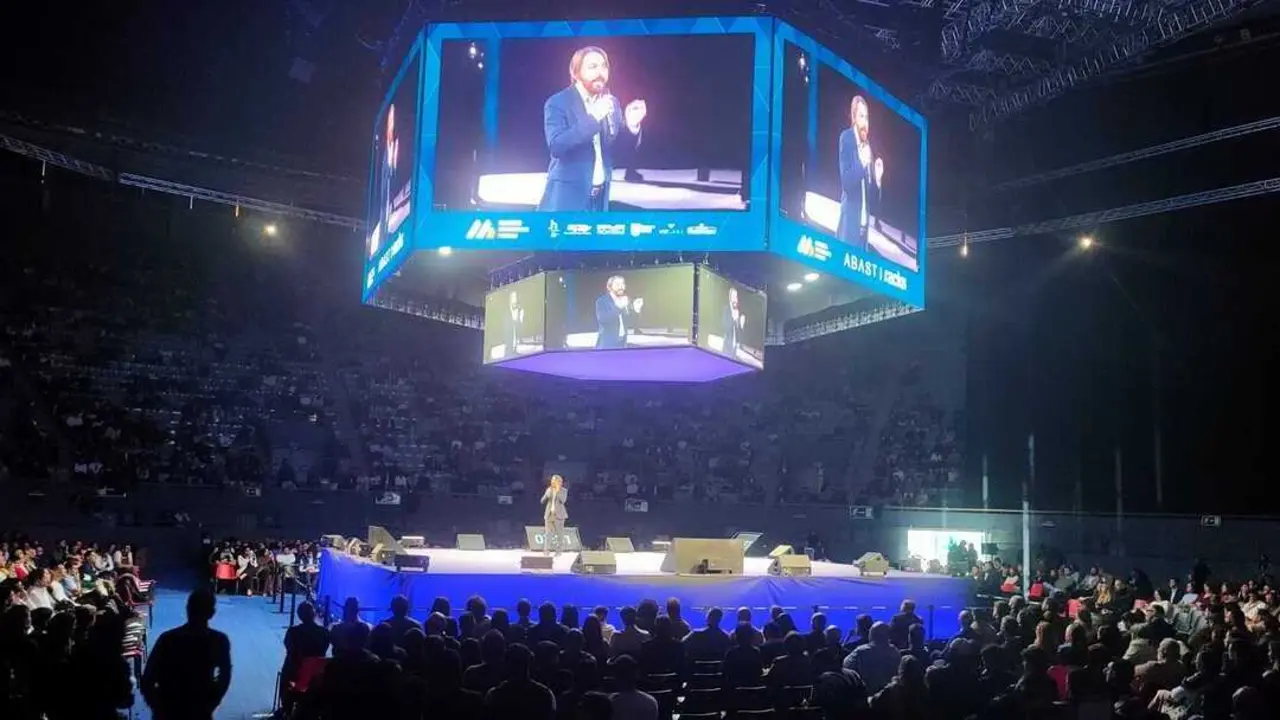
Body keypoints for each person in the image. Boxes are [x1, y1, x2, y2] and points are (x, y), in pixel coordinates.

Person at [538, 46, 647, 212]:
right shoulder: (558, 102)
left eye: (604, 67)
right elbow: (557, 146)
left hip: (600, 200)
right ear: (576, 72)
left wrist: (631, 126)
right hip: (567, 200)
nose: (600, 73)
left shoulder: (611, 102)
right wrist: (594, 118)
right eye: (593, 67)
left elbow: (619, 151)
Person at [140, 589, 232, 720]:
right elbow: (225, 677)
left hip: (168, 708)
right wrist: (211, 702)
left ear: (188, 609)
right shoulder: (219, 641)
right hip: (200, 709)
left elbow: (148, 679)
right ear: (212, 613)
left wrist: (158, 707)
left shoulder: (167, 639)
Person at [836, 95, 880, 251]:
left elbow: (873, 200)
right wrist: (861, 163)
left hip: (864, 232)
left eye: (867, 117)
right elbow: (846, 183)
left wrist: (878, 180)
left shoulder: (868, 148)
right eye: (861, 116)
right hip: (849, 227)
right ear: (854, 117)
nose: (865, 122)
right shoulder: (846, 138)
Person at [594, 275, 643, 349]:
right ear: (609, 287)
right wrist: (619, 307)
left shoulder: (626, 300)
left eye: (623, 284)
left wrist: (636, 309)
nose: (621, 287)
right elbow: (603, 319)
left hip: (622, 344)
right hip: (607, 345)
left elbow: (631, 321)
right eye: (617, 284)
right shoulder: (602, 301)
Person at [541, 475, 569, 555]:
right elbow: (542, 500)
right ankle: (546, 551)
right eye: (552, 481)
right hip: (549, 515)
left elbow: (563, 500)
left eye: (554, 481)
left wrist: (557, 491)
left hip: (559, 515)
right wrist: (549, 492)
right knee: (548, 534)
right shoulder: (549, 489)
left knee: (560, 534)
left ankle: (558, 551)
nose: (552, 482)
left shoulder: (564, 491)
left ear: (559, 482)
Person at [720, 287, 745, 357]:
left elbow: (739, 332)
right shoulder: (726, 309)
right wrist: (733, 319)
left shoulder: (738, 311)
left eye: (736, 296)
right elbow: (725, 327)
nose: (736, 299)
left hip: (735, 349)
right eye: (734, 296)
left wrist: (741, 325)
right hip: (727, 347)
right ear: (730, 297)